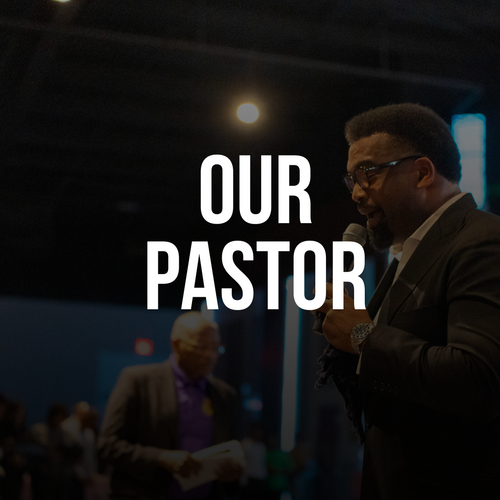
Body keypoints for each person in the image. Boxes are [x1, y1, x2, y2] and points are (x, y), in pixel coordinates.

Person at [312, 103, 500, 499]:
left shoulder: (483, 241)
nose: (357, 195)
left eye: (368, 174)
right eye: (352, 180)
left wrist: (362, 336)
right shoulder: (410, 253)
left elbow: (479, 378)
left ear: (422, 173)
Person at [98, 311, 242, 500]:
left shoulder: (224, 395)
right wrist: (160, 458)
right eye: (201, 347)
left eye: (215, 348)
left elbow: (230, 454)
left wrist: (232, 476)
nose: (210, 355)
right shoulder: (139, 382)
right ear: (176, 344)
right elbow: (108, 445)